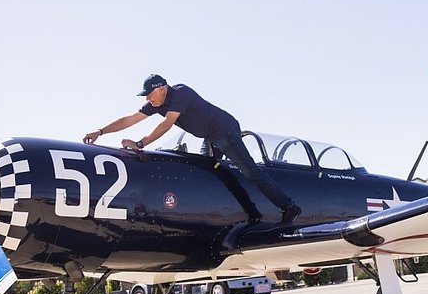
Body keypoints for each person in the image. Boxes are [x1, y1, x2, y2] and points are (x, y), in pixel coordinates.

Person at [84, 74, 301, 224]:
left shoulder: (180, 94)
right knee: (206, 173)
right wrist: (100, 132)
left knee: (251, 172)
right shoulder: (156, 104)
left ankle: (289, 206)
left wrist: (140, 144)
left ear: (161, 89)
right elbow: (130, 119)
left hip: (224, 131)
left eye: (150, 95)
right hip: (209, 136)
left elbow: (167, 124)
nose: (148, 99)